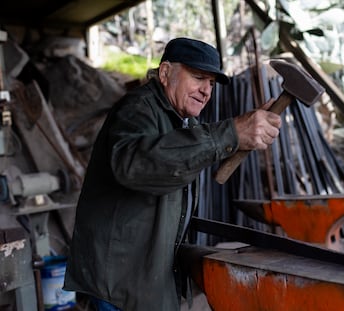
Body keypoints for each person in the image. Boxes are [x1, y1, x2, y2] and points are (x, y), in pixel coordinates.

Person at [63, 37, 282, 311]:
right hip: (119, 284)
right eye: (198, 77)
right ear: (165, 73)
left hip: (149, 276)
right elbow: (135, 164)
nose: (206, 91)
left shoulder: (180, 119)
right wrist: (230, 133)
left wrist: (240, 135)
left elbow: (179, 155)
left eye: (211, 83)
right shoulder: (137, 109)